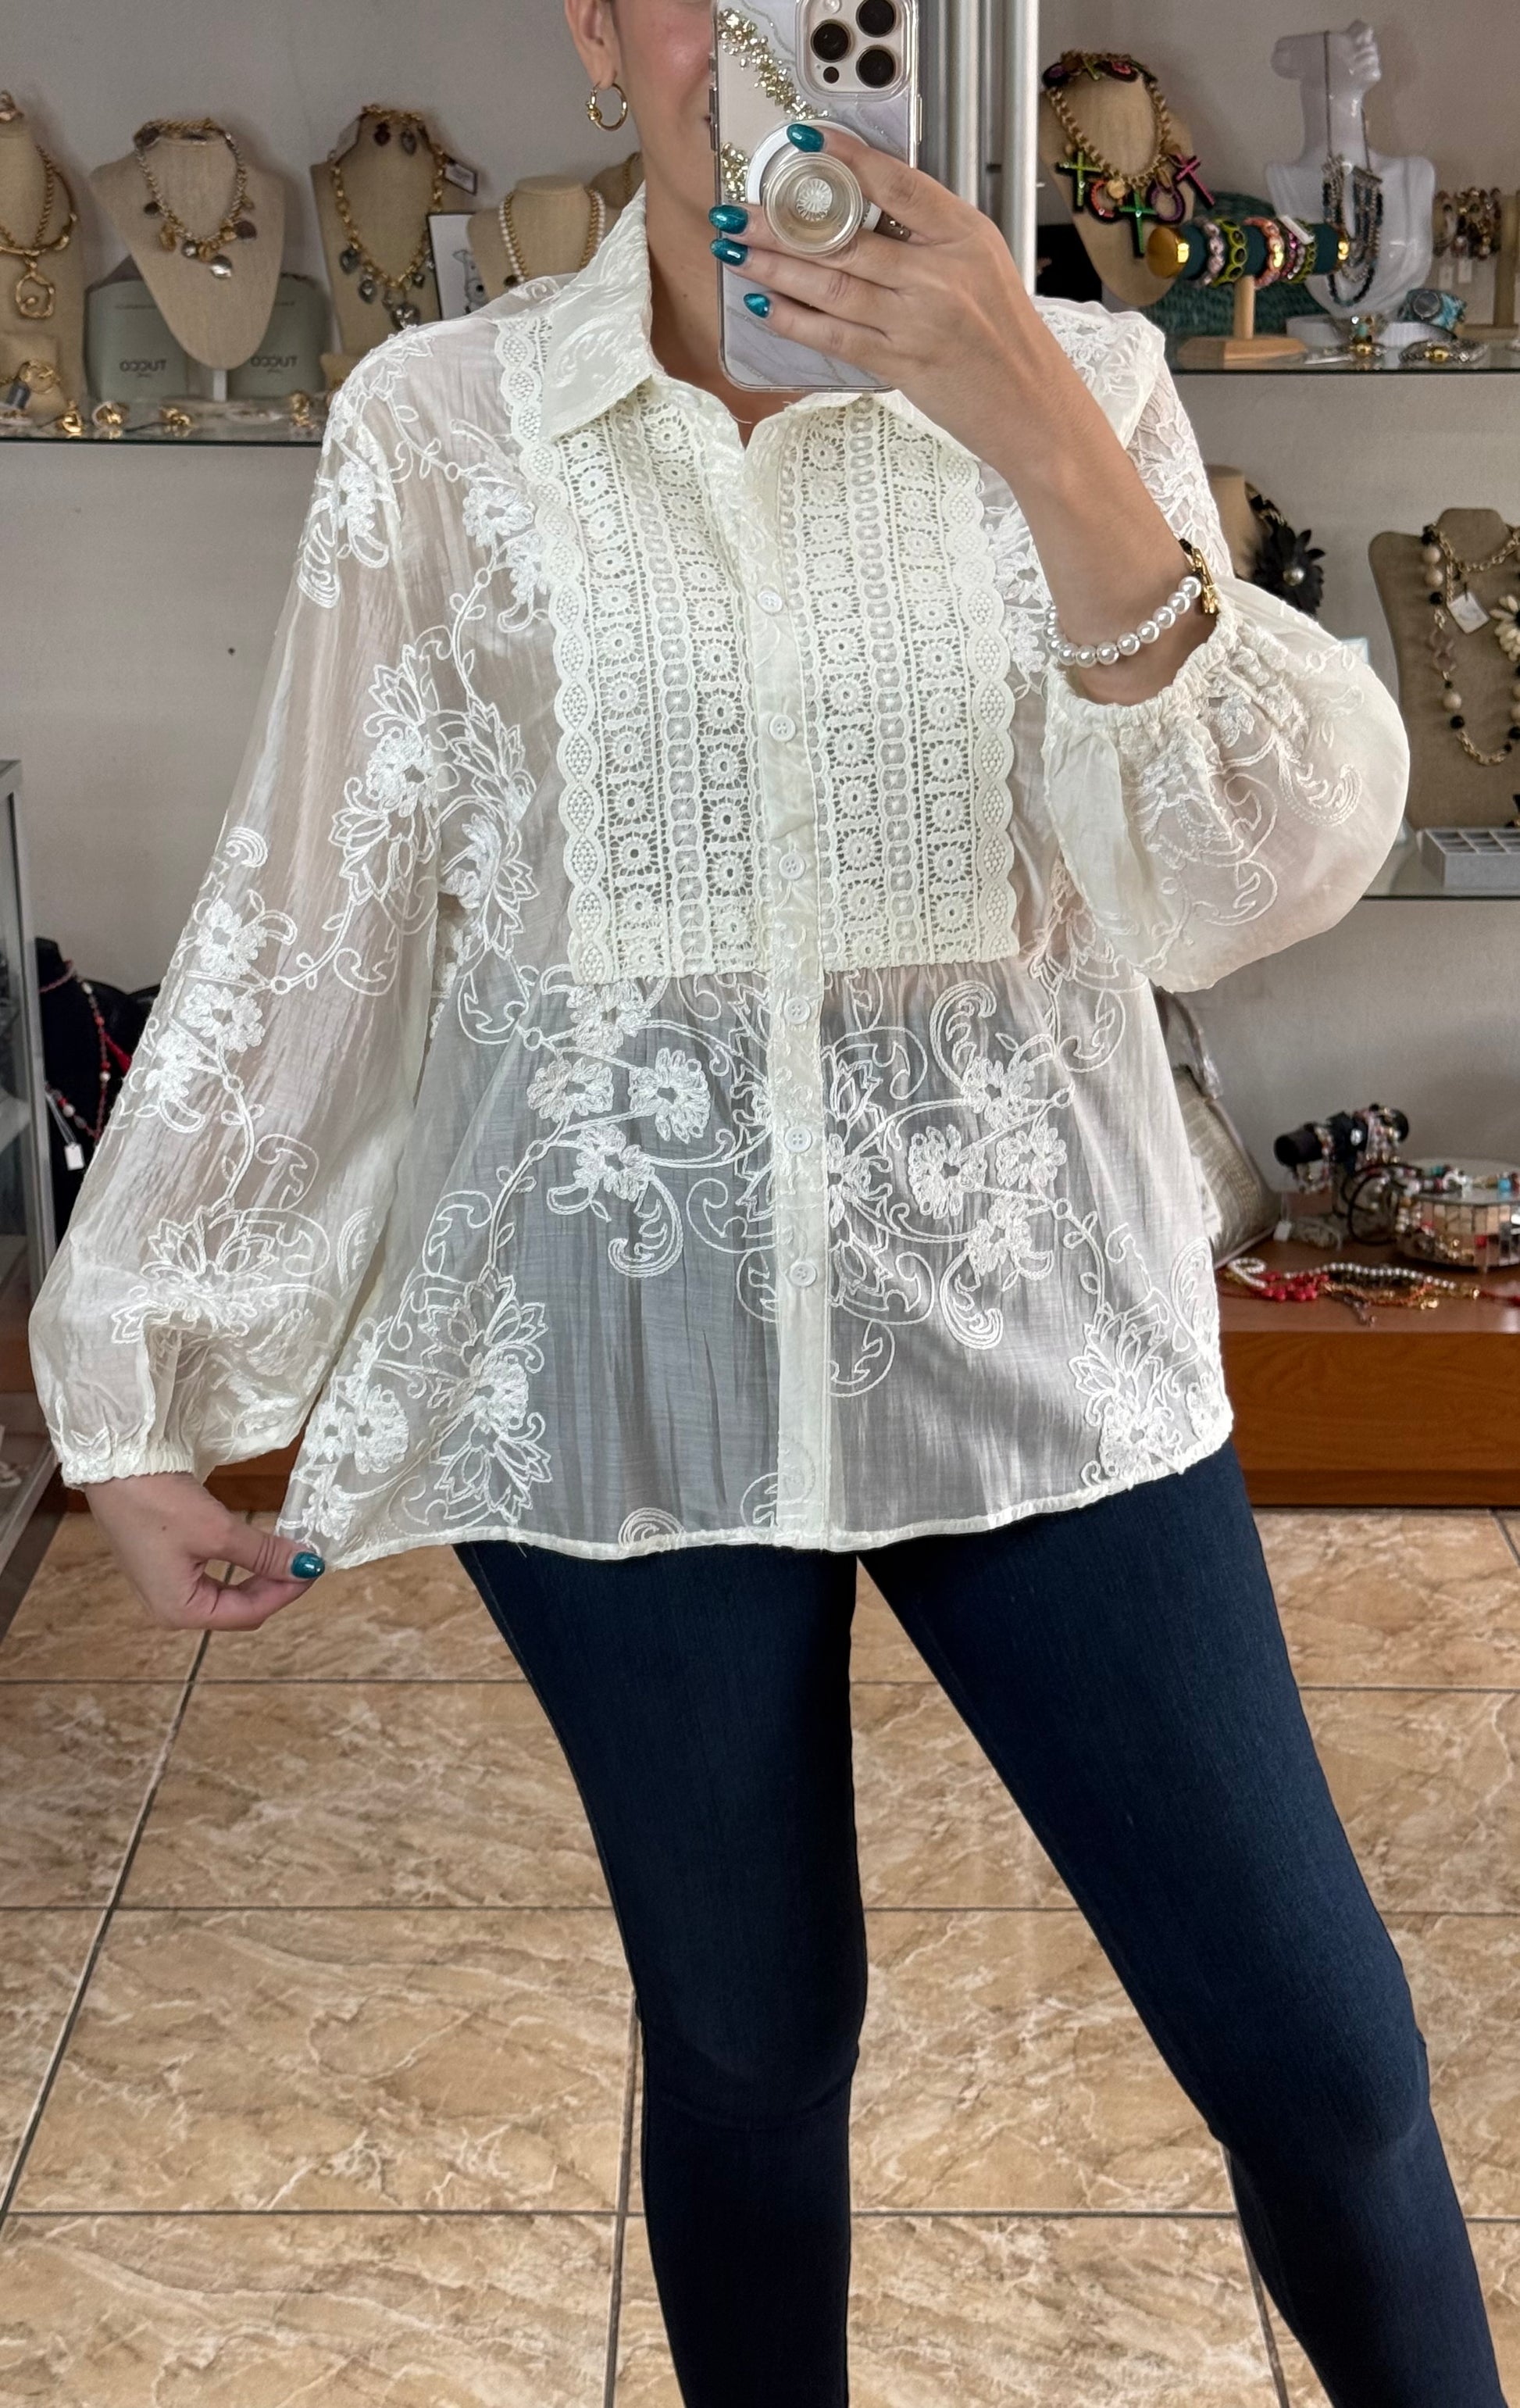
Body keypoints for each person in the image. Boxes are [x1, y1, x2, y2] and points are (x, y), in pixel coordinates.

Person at [27, 3, 1504, 2402]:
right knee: (746, 2039)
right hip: (617, 1357)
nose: (781, 31)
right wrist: (138, 1380)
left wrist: (1040, 433)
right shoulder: (441, 429)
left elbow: (1227, 888)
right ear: (596, 28)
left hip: (1038, 1328)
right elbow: (323, 904)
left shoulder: (1093, 383)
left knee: (1321, 2054)